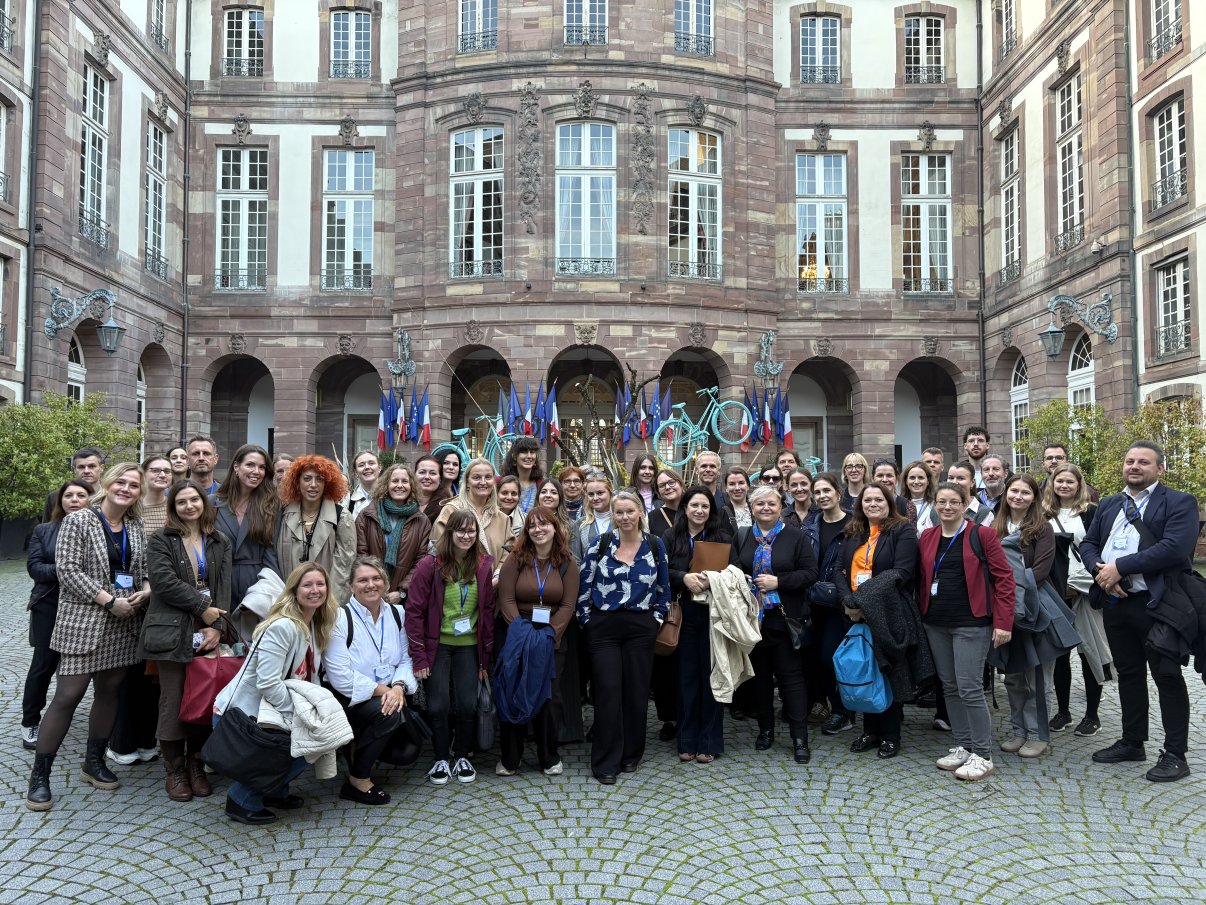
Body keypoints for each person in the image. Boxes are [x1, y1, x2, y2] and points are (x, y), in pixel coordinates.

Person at [27, 464, 151, 811]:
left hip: (124, 621)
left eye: (133, 485)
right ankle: (40, 776)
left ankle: (93, 762)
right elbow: (67, 571)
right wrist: (109, 600)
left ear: (139, 493)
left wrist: (145, 590)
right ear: (108, 484)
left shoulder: (137, 526)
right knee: (67, 696)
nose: (126, 489)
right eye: (121, 482)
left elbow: (142, 571)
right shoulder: (79, 520)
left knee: (109, 692)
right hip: (86, 620)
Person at [1080, 441, 1199, 783]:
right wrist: (1101, 572)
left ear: (1159, 469)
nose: (1134, 466)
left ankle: (1176, 754)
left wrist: (1120, 567)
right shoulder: (1109, 504)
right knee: (1129, 674)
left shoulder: (1179, 502)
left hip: (1158, 605)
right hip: (1117, 603)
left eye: (1143, 462)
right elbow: (1088, 543)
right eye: (1129, 460)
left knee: (1167, 676)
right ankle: (1133, 742)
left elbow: (1175, 549)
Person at [212, 561, 340, 824]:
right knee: (311, 743)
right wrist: (299, 715)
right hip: (242, 715)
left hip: (269, 710)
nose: (315, 590)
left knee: (321, 732)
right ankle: (241, 800)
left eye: (320, 584)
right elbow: (268, 683)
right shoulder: (283, 626)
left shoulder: (315, 623)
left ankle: (274, 791)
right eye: (307, 585)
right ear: (294, 590)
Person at [138, 480, 232, 802]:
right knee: (174, 700)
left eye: (195, 500)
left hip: (207, 629)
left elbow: (224, 588)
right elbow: (163, 583)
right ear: (173, 507)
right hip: (171, 630)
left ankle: (196, 764)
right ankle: (174, 768)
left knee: (205, 697)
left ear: (204, 504)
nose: (189, 506)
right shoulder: (161, 540)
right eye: (182, 501)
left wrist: (217, 625)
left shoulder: (219, 541)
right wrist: (203, 608)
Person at [917, 481, 1015, 781]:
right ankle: (962, 745)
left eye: (954, 502)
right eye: (942, 502)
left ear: (965, 504)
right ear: (934, 504)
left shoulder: (981, 534)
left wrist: (1003, 622)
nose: (947, 507)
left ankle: (982, 754)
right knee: (949, 686)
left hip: (971, 622)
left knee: (970, 687)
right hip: (936, 622)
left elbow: (1004, 579)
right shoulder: (928, 536)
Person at [577, 490, 670, 784]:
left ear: (640, 512)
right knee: (607, 690)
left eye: (630, 511)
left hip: (640, 627)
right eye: (619, 512)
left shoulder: (655, 545)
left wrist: (655, 620)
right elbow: (584, 585)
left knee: (636, 692)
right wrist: (588, 621)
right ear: (613, 515)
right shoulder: (600, 544)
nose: (625, 517)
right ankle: (605, 761)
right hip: (604, 626)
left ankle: (631, 753)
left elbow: (664, 590)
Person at [407, 509, 496, 786]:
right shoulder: (430, 565)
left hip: (469, 645)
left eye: (471, 531)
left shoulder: (482, 565)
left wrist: (485, 659)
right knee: (438, 704)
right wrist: (419, 656)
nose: (466, 536)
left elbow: (488, 611)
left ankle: (461, 755)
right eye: (461, 530)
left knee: (468, 703)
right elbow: (414, 611)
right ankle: (441, 758)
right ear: (450, 533)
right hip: (439, 645)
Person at [732, 484, 819, 763]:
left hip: (785, 618)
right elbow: (735, 569)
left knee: (791, 679)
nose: (765, 509)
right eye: (759, 504)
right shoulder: (744, 537)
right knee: (760, 679)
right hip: (753, 620)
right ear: (752, 508)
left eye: (771, 503)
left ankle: (799, 737)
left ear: (781, 506)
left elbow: (810, 574)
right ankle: (765, 731)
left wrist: (778, 582)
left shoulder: (796, 537)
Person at [323, 556, 420, 805]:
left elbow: (406, 660)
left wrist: (398, 688)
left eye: (377, 578)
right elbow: (340, 675)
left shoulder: (397, 614)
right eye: (363, 580)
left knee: (407, 751)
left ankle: (359, 745)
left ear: (386, 583)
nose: (371, 585)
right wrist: (385, 691)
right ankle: (358, 780)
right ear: (351, 586)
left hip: (389, 696)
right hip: (349, 701)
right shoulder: (340, 618)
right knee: (388, 713)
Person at [495, 509, 580, 776]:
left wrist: (550, 634)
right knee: (513, 690)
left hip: (552, 637)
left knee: (548, 696)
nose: (538, 529)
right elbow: (506, 599)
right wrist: (521, 630)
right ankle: (510, 757)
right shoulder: (516, 559)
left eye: (544, 524)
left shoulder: (567, 562)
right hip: (518, 633)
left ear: (555, 528)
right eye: (532, 526)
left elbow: (568, 605)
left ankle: (549, 756)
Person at [838, 484, 920, 758]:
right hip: (855, 614)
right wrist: (849, 601)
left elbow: (902, 572)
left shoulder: (902, 530)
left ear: (889, 503)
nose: (873, 504)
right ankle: (870, 730)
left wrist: (862, 600)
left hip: (889, 611)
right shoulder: (854, 531)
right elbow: (840, 570)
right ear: (860, 504)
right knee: (864, 669)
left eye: (879, 499)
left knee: (889, 670)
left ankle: (890, 735)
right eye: (867, 500)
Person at [22, 480, 93, 751]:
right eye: (68, 495)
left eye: (81, 495)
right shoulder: (44, 530)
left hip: (87, 606)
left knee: (88, 668)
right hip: (49, 605)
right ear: (60, 501)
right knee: (43, 665)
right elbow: (36, 569)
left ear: (91, 499)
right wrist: (70, 570)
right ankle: (30, 722)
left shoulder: (99, 530)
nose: (74, 500)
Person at [665, 486, 732, 764]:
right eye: (694, 505)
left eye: (705, 506)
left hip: (715, 615)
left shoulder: (722, 537)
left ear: (711, 511)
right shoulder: (671, 537)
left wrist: (713, 580)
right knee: (687, 679)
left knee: (712, 677)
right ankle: (687, 738)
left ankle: (710, 740)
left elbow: (736, 570)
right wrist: (683, 577)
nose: (700, 511)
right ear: (685, 508)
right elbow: (660, 570)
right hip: (684, 615)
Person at [1042, 464, 1109, 738]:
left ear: (1079, 484)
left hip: (1085, 591)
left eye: (1070, 481)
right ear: (1052, 483)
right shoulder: (1043, 513)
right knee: (1059, 654)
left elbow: (1101, 549)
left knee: (1089, 652)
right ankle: (1063, 711)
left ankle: (1092, 714)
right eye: (1060, 481)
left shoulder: (1091, 512)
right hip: (1056, 591)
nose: (1064, 485)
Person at [993, 473, 1057, 758]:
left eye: (1025, 492)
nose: (1018, 496)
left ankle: (1038, 734)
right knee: (1013, 676)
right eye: (1014, 491)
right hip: (1004, 609)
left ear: (1034, 497)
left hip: (1032, 609)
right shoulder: (996, 524)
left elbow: (1041, 571)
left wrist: (1009, 583)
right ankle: (1019, 730)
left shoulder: (1042, 529)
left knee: (1036, 678)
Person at [800, 473, 853, 736]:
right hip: (813, 603)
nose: (821, 496)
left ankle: (843, 712)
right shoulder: (810, 524)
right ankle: (835, 708)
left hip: (842, 604)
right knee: (815, 659)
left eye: (826, 491)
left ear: (838, 493)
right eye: (817, 492)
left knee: (832, 658)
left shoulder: (855, 524)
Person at [214, 444, 280, 635]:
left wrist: (266, 592)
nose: (256, 471)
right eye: (250, 465)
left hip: (257, 584)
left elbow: (272, 554)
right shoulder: (213, 503)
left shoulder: (271, 506)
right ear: (236, 467)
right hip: (221, 583)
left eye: (261, 467)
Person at [277, 454, 357, 603]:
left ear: (327, 483)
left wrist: (330, 603)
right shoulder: (283, 514)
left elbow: (344, 566)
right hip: (288, 600)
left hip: (326, 601)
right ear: (297, 482)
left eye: (319, 479)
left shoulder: (342, 516)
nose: (313, 484)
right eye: (307, 478)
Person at [432, 458, 522, 579]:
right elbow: (439, 549)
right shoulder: (451, 511)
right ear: (467, 482)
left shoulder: (501, 518)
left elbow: (510, 552)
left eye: (488, 477)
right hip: (456, 585)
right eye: (476, 477)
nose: (483, 482)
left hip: (493, 588)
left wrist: (498, 575)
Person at [355, 464, 431, 603]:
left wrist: (402, 592)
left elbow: (421, 561)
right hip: (369, 592)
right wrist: (376, 586)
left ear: (412, 486)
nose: (400, 485)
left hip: (402, 599)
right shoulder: (366, 516)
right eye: (395, 481)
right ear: (386, 484)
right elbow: (361, 555)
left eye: (405, 481)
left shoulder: (422, 521)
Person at [42, 447, 105, 521]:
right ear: (74, 470)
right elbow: (46, 530)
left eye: (91, 466)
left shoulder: (110, 497)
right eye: (81, 467)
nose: (86, 471)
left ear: (101, 468)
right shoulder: (55, 497)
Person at [571, 475, 613, 562]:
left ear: (610, 493)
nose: (595, 498)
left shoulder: (621, 520)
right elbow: (576, 560)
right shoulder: (580, 524)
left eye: (600, 493)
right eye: (591, 494)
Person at [501, 437, 543, 515]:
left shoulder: (541, 484)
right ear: (514, 456)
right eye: (524, 452)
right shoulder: (500, 483)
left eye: (532, 452)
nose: (529, 456)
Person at [948, 461, 994, 526]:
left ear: (972, 482)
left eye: (961, 478)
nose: (954, 482)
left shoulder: (984, 513)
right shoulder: (937, 510)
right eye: (951, 478)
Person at [414, 454, 454, 524]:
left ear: (440, 479)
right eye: (422, 472)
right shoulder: (403, 502)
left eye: (432, 473)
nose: (427, 477)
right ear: (414, 476)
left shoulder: (448, 507)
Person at [139, 455, 174, 535]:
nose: (162, 475)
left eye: (167, 471)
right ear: (143, 474)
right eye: (155, 471)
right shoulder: (131, 507)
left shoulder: (175, 506)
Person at [903, 460, 938, 533]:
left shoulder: (936, 505)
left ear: (928, 481)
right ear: (906, 481)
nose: (916, 482)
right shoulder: (899, 505)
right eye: (912, 478)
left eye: (921, 478)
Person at [344, 450, 381, 520]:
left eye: (371, 463)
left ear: (379, 468)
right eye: (361, 465)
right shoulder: (347, 501)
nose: (367, 467)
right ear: (355, 472)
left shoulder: (391, 496)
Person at [649, 469, 684, 539]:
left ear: (681, 485)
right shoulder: (652, 517)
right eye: (662, 486)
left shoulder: (694, 511)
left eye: (671, 482)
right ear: (658, 493)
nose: (667, 487)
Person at [722, 466, 754, 530]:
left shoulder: (757, 509)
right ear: (726, 488)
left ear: (748, 486)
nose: (737, 488)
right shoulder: (721, 513)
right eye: (732, 484)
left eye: (741, 483)